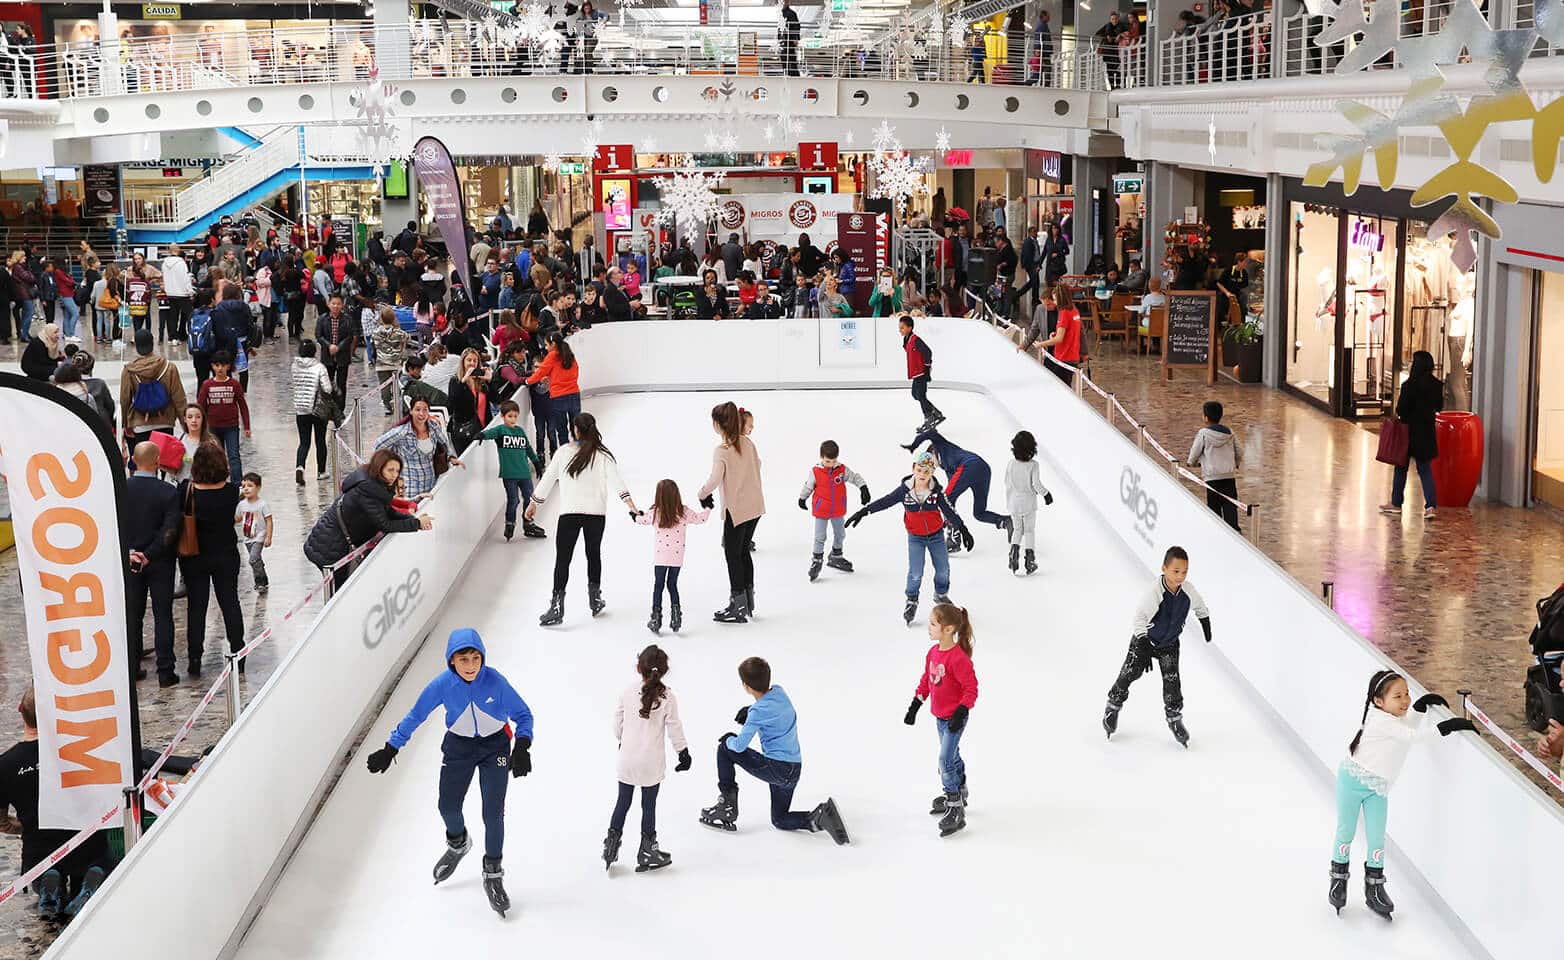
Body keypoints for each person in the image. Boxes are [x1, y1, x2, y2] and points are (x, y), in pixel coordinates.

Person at [364, 628, 532, 918]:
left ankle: (493, 873)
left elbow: (523, 715)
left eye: (475, 658)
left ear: (482, 658)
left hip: (496, 749)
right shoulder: (442, 685)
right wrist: (391, 748)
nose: (470, 666)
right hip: (459, 748)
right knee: (447, 807)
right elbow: (416, 715)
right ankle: (458, 844)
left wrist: (522, 746)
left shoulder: (496, 682)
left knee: (493, 815)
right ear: (452, 661)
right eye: (463, 659)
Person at [1327, 671, 1476, 918]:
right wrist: (1447, 726)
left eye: (1407, 694)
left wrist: (1419, 707)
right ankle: (1338, 880)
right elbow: (1412, 736)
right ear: (1379, 701)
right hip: (1352, 782)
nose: (1405, 700)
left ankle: (1374, 888)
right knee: (1346, 832)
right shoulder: (1380, 720)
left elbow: (1405, 728)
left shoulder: (1392, 718)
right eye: (1398, 696)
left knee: (1377, 839)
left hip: (1377, 789)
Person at [698, 657, 849, 844]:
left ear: (746, 686)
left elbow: (739, 746)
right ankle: (819, 817)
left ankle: (727, 808)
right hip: (793, 770)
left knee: (725, 749)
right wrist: (751, 708)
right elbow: (769, 707)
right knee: (779, 819)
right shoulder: (779, 692)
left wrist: (729, 738)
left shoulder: (757, 713)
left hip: (777, 769)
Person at [0, 686, 111, 919]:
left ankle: (49, 883)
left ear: (21, 712)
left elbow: (0, 821)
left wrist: (21, 825)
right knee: (101, 859)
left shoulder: (7, 763)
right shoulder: (81, 750)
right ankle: (93, 875)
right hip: (85, 840)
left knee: (41, 866)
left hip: (40, 847)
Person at [527, 412, 637, 626]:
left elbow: (548, 479)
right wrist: (631, 506)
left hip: (569, 514)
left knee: (563, 560)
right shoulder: (603, 455)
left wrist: (534, 503)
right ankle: (595, 599)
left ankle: (557, 606)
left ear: (575, 430)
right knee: (593, 555)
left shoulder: (563, 452)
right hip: (596, 515)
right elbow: (618, 482)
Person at [1102, 545, 1212, 747]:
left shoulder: (1188, 590)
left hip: (1169, 644)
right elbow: (1139, 618)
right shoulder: (1155, 592)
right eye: (1176, 571)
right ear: (1164, 568)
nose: (1180, 576)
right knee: (1129, 673)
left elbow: (1199, 604)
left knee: (1172, 682)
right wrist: (1143, 644)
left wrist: (1205, 621)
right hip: (1145, 640)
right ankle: (1113, 706)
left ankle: (1174, 718)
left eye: (1184, 572)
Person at [847, 449, 969, 625]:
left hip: (936, 536)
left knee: (943, 569)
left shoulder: (936, 492)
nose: (922, 474)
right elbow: (886, 501)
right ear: (913, 469)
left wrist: (962, 528)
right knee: (915, 573)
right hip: (916, 538)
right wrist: (865, 511)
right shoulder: (904, 491)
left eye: (927, 471)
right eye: (919, 470)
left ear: (932, 472)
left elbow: (949, 510)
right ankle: (912, 599)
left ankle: (941, 594)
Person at [604, 645, 690, 872]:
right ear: (663, 671)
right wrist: (683, 752)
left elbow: (617, 725)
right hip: (651, 764)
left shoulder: (627, 692)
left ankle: (611, 845)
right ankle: (647, 850)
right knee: (648, 806)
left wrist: (625, 738)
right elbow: (674, 728)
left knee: (622, 803)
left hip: (627, 759)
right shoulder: (667, 697)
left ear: (638, 667)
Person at [304, 449, 432, 589]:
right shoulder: (368, 491)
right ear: (379, 468)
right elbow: (385, 524)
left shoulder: (374, 485)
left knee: (343, 587)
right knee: (340, 592)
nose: (394, 475)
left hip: (334, 542)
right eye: (390, 470)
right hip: (330, 548)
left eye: (397, 471)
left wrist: (412, 518)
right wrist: (416, 523)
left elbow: (387, 512)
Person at [903, 602, 979, 837]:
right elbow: (927, 679)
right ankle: (961, 791)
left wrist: (961, 711)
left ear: (948, 629)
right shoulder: (933, 653)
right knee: (952, 756)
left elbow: (971, 689)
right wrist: (915, 704)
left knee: (944, 760)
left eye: (934, 623)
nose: (929, 627)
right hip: (939, 717)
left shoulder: (958, 659)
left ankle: (955, 806)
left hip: (954, 719)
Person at [177, 442, 245, 680]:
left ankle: (195, 657)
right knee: (230, 603)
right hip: (226, 554)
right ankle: (238, 649)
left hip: (195, 556)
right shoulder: (232, 491)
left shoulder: (186, 489)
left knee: (197, 607)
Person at [697, 401, 765, 625]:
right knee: (744, 551)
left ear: (719, 424)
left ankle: (738, 605)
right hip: (755, 507)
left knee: (732, 555)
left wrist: (702, 493)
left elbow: (715, 479)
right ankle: (748, 600)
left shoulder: (722, 451)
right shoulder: (748, 443)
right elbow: (758, 465)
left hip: (737, 510)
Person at [125, 441, 181, 685]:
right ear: (157, 461)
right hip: (160, 562)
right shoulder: (168, 492)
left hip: (131, 561)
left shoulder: (121, 490)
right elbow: (170, 530)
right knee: (162, 615)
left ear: (134, 461)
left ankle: (133, 666)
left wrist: (130, 552)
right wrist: (150, 554)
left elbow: (114, 525)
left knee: (134, 615)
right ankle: (165, 671)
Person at [902, 425, 1010, 548]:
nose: (932, 465)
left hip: (971, 465)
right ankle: (1005, 522)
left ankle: (954, 539)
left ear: (932, 451)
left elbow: (930, 433)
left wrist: (914, 444)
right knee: (979, 513)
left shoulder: (941, 446)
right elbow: (951, 499)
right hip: (983, 469)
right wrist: (948, 518)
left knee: (944, 499)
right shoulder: (948, 469)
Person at [632, 479, 711, 635]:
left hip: (661, 557)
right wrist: (708, 507)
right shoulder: (683, 511)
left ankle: (656, 618)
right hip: (677, 557)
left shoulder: (655, 512)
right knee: (672, 585)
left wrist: (634, 515)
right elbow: (701, 519)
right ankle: (676, 617)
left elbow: (641, 520)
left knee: (658, 586)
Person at [1380, 350, 1443, 520]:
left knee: (1401, 468)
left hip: (1407, 433)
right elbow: (1439, 407)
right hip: (1426, 433)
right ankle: (1430, 506)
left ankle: (1396, 503)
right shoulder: (1437, 385)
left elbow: (1401, 410)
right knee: (1425, 470)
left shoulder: (1409, 385)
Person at [798, 439, 870, 582]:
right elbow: (808, 486)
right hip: (821, 510)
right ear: (821, 457)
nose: (831, 464)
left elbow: (855, 477)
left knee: (840, 533)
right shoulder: (816, 471)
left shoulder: (841, 470)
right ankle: (817, 560)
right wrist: (802, 498)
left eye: (833, 461)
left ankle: (836, 555)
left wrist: (863, 488)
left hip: (837, 509)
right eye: (827, 461)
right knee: (820, 537)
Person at [478, 400, 545, 542]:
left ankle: (528, 524)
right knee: (513, 501)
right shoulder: (501, 430)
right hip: (509, 475)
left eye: (515, 416)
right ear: (502, 416)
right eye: (510, 416)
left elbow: (528, 449)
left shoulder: (520, 431)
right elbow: (489, 433)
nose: (513, 419)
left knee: (529, 499)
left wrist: (536, 463)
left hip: (524, 473)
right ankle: (510, 524)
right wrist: (481, 435)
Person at [374, 396, 461, 499]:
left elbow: (445, 443)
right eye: (418, 409)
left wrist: (451, 457)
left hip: (431, 485)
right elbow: (378, 445)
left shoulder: (433, 427)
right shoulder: (401, 432)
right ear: (411, 411)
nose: (421, 413)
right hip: (410, 489)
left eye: (425, 410)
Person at [121, 329, 187, 453]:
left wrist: (126, 423)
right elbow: (179, 398)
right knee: (165, 462)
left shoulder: (129, 370)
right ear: (153, 343)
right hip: (165, 421)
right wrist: (185, 423)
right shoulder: (169, 367)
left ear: (136, 346)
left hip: (140, 423)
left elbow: (125, 399)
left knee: (145, 463)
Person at [1004, 430, 1054, 576]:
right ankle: (1029, 560)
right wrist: (1046, 494)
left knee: (1017, 529)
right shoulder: (1033, 465)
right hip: (1028, 504)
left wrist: (1011, 497)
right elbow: (1036, 484)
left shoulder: (1011, 464)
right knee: (1029, 531)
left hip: (1013, 503)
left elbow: (1007, 483)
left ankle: (1013, 554)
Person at [1188, 400, 1243, 532]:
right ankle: (1234, 532)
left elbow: (1195, 452)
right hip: (1229, 476)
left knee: (1214, 506)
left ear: (1206, 417)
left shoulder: (1203, 434)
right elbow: (1240, 451)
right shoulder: (1229, 432)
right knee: (1230, 505)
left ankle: (1217, 532)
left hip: (1212, 478)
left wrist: (1192, 463)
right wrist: (1235, 463)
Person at [198, 350, 250, 484]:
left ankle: (237, 484)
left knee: (234, 456)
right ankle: (216, 481)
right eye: (216, 365)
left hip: (231, 427)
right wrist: (199, 427)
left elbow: (243, 405)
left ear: (228, 366)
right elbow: (201, 407)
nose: (220, 368)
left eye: (223, 365)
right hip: (213, 427)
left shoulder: (234, 385)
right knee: (214, 456)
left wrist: (247, 426)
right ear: (212, 366)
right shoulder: (207, 385)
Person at [289, 339, 334, 484]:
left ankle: (300, 467)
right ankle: (321, 471)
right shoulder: (319, 367)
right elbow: (327, 389)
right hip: (317, 409)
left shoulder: (294, 367)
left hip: (301, 408)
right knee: (320, 441)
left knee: (304, 442)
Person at [527, 334, 581, 444]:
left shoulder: (552, 356)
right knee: (576, 426)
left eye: (546, 345)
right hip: (574, 394)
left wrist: (527, 381)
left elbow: (540, 372)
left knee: (562, 430)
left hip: (559, 397)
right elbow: (575, 371)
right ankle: (579, 449)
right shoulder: (570, 355)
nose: (545, 348)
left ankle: (564, 453)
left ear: (553, 344)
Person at [899, 315, 943, 430]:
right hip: (915, 373)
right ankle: (935, 413)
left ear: (910, 327)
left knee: (921, 395)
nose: (900, 330)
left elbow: (927, 352)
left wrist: (926, 367)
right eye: (900, 328)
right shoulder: (906, 339)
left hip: (921, 372)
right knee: (915, 394)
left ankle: (929, 418)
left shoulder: (915, 339)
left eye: (902, 328)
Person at [1034, 284, 1083, 386]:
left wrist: (1041, 344)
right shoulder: (1074, 310)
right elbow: (1069, 331)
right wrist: (1055, 334)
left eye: (1055, 299)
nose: (1055, 303)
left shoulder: (1064, 312)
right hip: (1073, 354)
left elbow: (1059, 339)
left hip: (1064, 356)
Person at [445, 348, 491, 455]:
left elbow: (496, 399)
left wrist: (489, 381)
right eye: (469, 360)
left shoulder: (481, 380)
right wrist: (464, 380)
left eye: (475, 361)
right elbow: (452, 404)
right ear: (463, 362)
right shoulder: (455, 381)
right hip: (464, 430)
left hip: (483, 428)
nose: (472, 363)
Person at [316, 292, 361, 398]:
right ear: (329, 304)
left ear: (342, 305)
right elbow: (319, 335)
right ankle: (328, 408)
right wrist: (329, 346)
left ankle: (340, 409)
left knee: (341, 384)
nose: (336, 306)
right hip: (327, 355)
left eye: (338, 304)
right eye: (333, 303)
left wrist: (339, 347)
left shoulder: (347, 319)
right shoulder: (322, 319)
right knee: (327, 384)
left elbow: (350, 336)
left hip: (343, 356)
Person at [235, 471, 273, 593]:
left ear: (258, 487)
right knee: (256, 560)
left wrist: (268, 537)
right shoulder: (241, 505)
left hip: (259, 537)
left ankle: (259, 581)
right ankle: (263, 577)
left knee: (252, 559)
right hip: (247, 538)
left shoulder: (262, 505)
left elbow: (269, 521)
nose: (246, 489)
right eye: (244, 486)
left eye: (250, 485)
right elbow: (237, 518)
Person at [162, 244, 194, 343]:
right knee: (189, 316)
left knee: (172, 317)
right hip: (182, 293)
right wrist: (190, 291)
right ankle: (192, 335)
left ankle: (172, 338)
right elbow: (185, 279)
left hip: (170, 293)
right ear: (178, 250)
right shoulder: (181, 263)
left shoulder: (164, 263)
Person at [780, 0, 802, 75]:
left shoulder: (791, 13)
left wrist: (795, 38)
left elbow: (796, 26)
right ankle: (787, 72)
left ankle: (793, 74)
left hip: (789, 39)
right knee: (785, 56)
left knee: (790, 57)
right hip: (784, 39)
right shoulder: (781, 13)